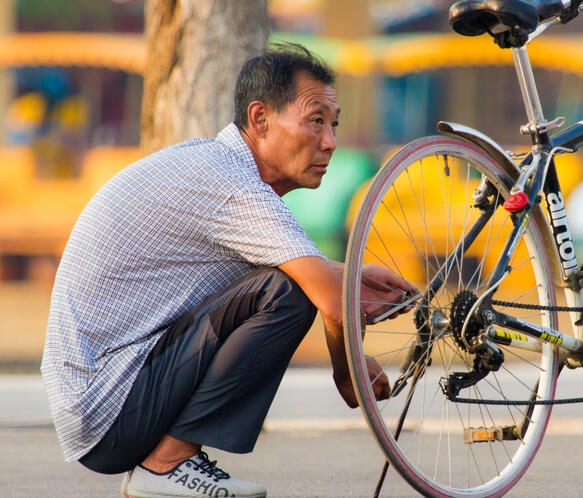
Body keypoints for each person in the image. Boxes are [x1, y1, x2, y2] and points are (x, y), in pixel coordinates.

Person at [41, 43, 416, 498]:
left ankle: (169, 463)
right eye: (315, 120)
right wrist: (348, 371)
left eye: (333, 124)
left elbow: (304, 272)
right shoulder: (231, 185)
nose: (330, 142)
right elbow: (329, 302)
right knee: (289, 293)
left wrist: (352, 273)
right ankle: (167, 465)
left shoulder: (217, 168)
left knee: (291, 282)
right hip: (108, 406)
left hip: (104, 398)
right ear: (260, 119)